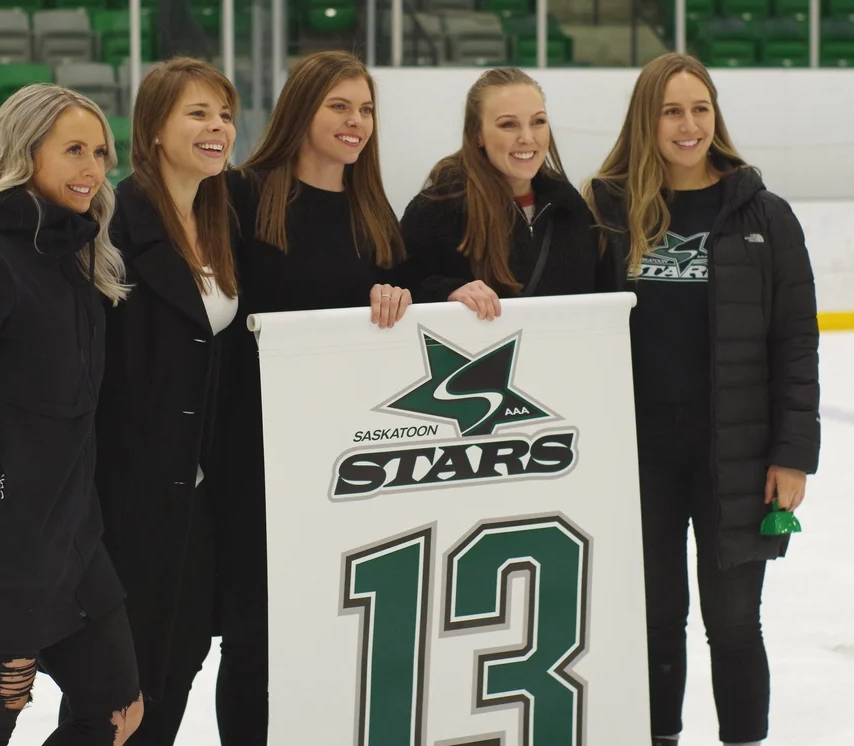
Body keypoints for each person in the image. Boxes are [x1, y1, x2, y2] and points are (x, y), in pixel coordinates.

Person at [584, 52, 820, 746]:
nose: (688, 125)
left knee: (735, 623)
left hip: (737, 455)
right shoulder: (607, 212)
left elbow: (795, 344)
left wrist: (792, 455)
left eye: (699, 109)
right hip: (641, 457)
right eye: (671, 111)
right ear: (646, 120)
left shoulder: (764, 215)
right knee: (656, 620)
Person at [0, 83, 143, 745]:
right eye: (73, 150)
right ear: (25, 152)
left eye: (100, 152)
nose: (93, 168)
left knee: (119, 714)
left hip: (74, 543)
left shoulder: (78, 258)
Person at [215, 49, 412, 745]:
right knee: (252, 638)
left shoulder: (375, 211)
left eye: (365, 109)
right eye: (339, 106)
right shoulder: (241, 196)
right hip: (255, 456)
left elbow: (408, 307)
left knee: (334, 632)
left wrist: (401, 297)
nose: (356, 122)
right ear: (301, 110)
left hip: (349, 462)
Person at [80, 57, 239, 746]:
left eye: (225, 114)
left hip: (197, 497)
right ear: (152, 128)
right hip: (127, 499)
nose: (218, 127)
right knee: (121, 691)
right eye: (197, 113)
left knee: (180, 663)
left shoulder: (218, 217)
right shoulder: (111, 227)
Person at [399, 67, 603, 320]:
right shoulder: (435, 210)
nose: (527, 137)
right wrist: (446, 293)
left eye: (538, 122)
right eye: (509, 124)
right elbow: (397, 290)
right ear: (478, 135)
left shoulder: (571, 209)